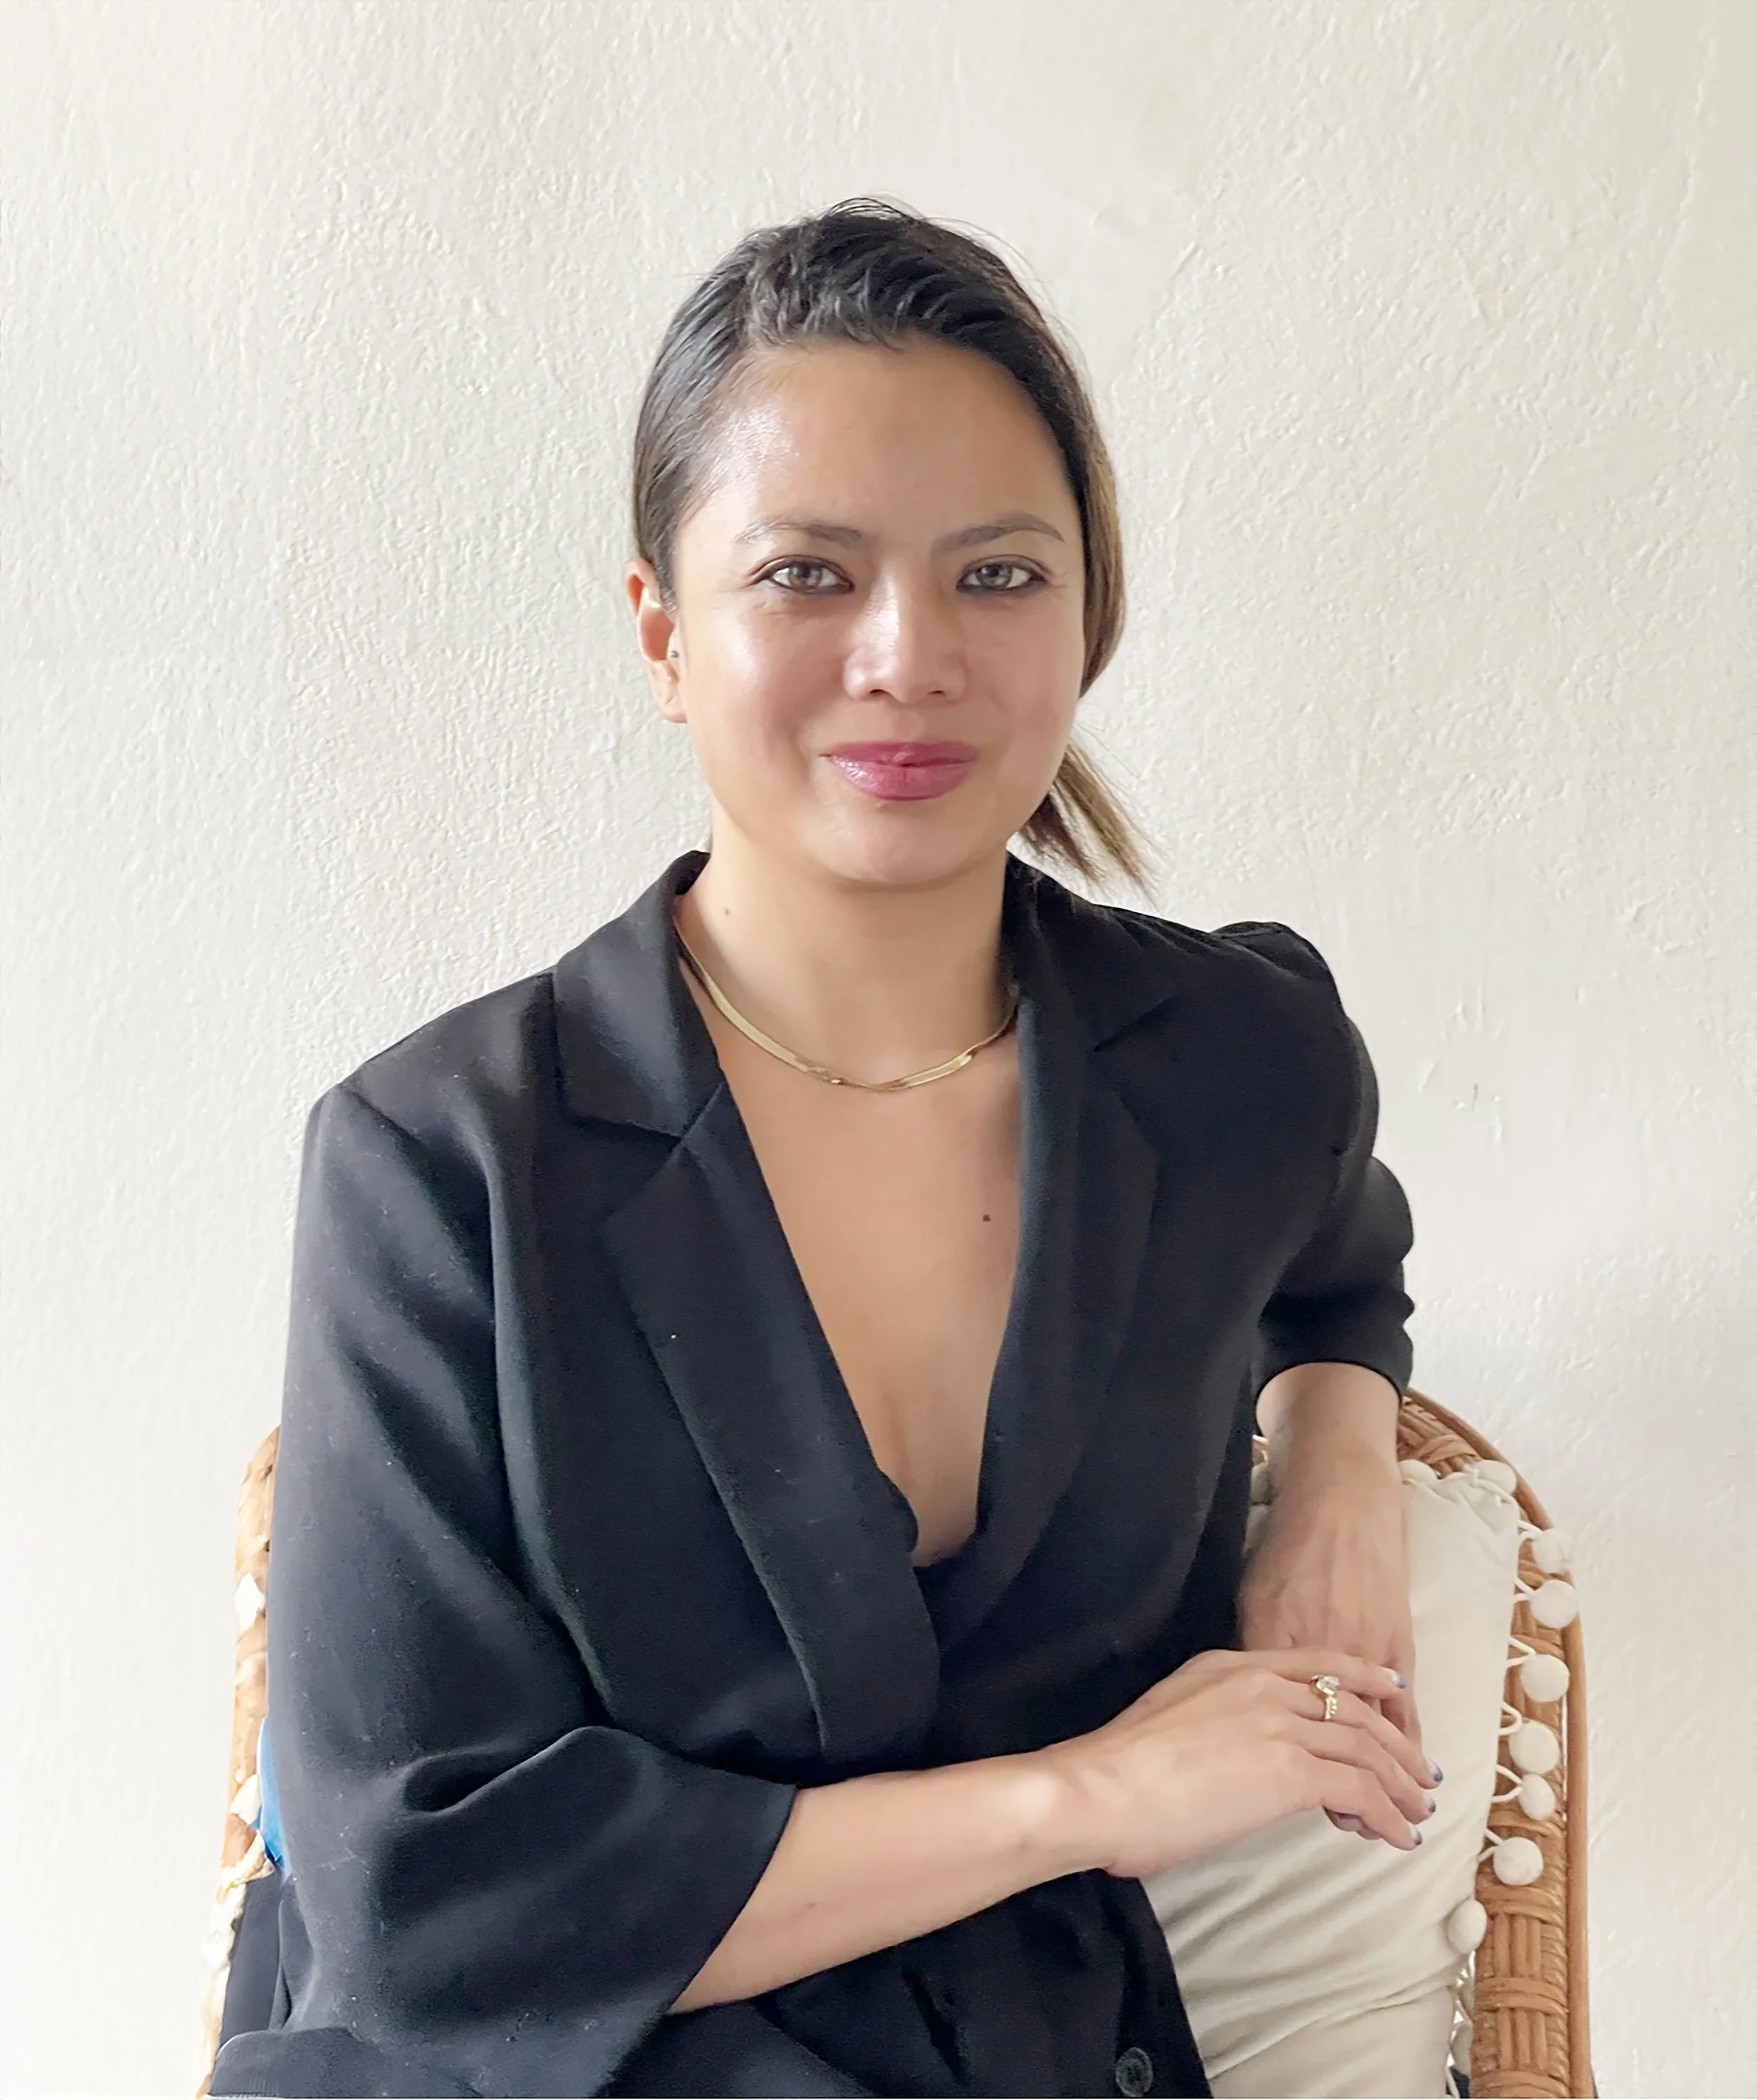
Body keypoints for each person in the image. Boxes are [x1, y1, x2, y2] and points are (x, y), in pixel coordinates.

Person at [207, 199, 1434, 2100]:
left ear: (1086, 611)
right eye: (805, 573)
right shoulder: (441, 1162)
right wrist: (1082, 1795)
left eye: (998, 576)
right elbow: (430, 1895)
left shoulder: (1230, 1063)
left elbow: (1337, 1253)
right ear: (661, 632)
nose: (906, 655)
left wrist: (1340, 1455)